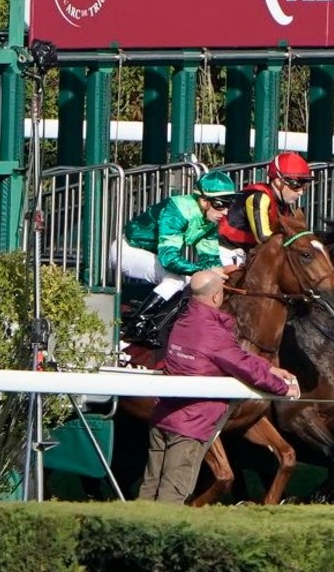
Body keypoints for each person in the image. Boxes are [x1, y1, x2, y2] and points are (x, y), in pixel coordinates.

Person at [138, 269, 301, 504]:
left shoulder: (182, 321)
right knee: (172, 497)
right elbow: (241, 365)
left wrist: (269, 368)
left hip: (163, 419)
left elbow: (233, 355)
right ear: (216, 297)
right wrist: (283, 388)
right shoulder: (214, 333)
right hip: (189, 427)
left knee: (149, 489)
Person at [113, 171, 240, 335]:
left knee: (194, 281)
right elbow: (169, 259)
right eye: (220, 204)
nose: (225, 212)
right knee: (175, 279)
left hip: (152, 256)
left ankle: (169, 325)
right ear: (203, 200)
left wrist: (224, 274)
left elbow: (210, 261)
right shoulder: (176, 211)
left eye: (229, 204)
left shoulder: (209, 221)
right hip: (127, 250)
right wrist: (204, 271)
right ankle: (137, 325)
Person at [219, 152, 314, 265]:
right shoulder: (259, 197)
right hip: (227, 253)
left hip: (248, 254)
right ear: (278, 181)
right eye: (296, 184)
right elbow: (264, 237)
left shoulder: (284, 205)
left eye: (305, 185)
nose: (301, 191)